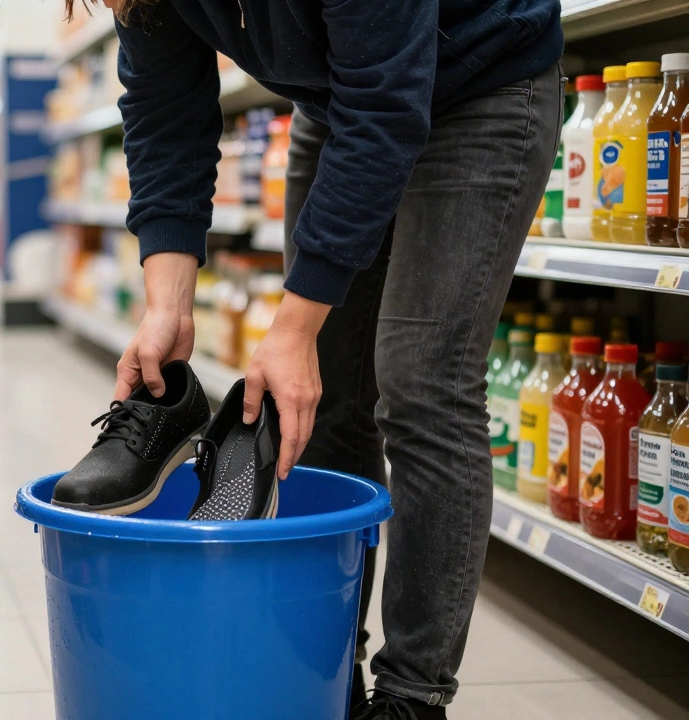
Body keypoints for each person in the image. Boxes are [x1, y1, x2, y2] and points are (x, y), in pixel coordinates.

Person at [74, 0, 563, 717]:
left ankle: (412, 694)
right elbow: (163, 110)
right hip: (343, 101)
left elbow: (387, 108)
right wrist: (167, 306)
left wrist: (296, 325)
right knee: (324, 399)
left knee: (422, 380)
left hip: (480, 83)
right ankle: (335, 673)